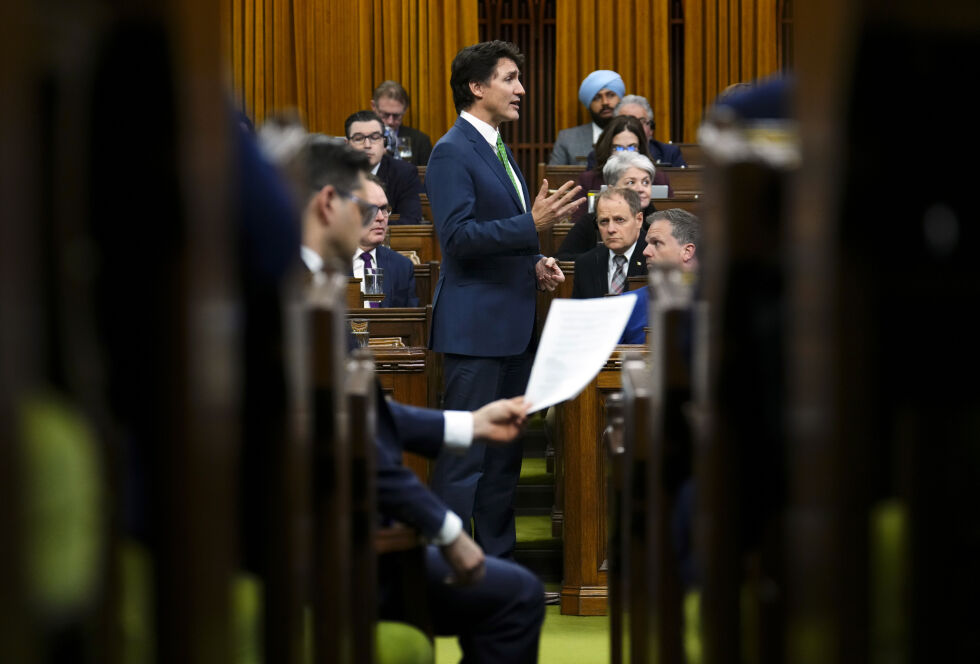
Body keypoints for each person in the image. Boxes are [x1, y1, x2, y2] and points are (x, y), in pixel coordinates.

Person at [300, 136, 546, 662]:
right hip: (327, 550)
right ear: (328, 204)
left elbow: (364, 416)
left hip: (345, 529)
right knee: (518, 598)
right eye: (365, 208)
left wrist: (468, 427)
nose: (375, 222)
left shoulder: (304, 284)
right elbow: (353, 436)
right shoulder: (299, 298)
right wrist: (446, 529)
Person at [425, 40, 584, 559]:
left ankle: (497, 569)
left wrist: (534, 259)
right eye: (510, 78)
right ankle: (446, 571)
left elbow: (500, 236)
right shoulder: (451, 150)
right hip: (475, 330)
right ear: (477, 87)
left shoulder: (498, 147)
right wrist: (532, 225)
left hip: (513, 328)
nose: (521, 89)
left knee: (503, 460)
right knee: (466, 457)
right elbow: (458, 240)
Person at [564, 115, 674, 228]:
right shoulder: (589, 179)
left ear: (641, 148)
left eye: (632, 147)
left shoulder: (659, 178)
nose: (625, 153)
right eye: (618, 148)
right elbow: (579, 222)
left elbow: (672, 223)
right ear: (608, 148)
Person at [618, 207, 701, 344]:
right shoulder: (626, 304)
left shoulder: (718, 302)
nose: (645, 251)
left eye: (657, 243)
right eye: (647, 243)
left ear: (687, 251)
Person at [557, 151, 659, 261]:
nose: (641, 189)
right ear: (612, 188)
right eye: (631, 182)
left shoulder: (661, 222)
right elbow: (563, 258)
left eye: (645, 182)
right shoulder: (590, 222)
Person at [349, 173, 419, 307]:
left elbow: (411, 324)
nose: (381, 217)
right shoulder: (329, 267)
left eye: (384, 209)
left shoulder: (402, 267)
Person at [345, 110, 425, 224]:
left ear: (384, 143)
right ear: (347, 144)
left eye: (374, 137)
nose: (367, 145)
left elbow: (410, 221)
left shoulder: (405, 173)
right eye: (359, 138)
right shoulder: (335, 175)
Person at [571, 187, 648, 299]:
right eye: (604, 221)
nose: (611, 229)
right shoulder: (585, 264)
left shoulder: (657, 260)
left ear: (638, 220)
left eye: (619, 220)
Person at [584, 94, 687, 168]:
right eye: (625, 120)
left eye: (640, 121)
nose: (633, 126)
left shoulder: (670, 154)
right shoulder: (597, 157)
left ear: (651, 129)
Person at [548, 69, 625, 165]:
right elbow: (555, 178)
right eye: (596, 98)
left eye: (610, 95)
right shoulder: (567, 138)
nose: (605, 102)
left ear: (620, 99)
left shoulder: (634, 134)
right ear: (589, 104)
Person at [371, 80, 433, 165]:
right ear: (374, 106)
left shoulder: (420, 141)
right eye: (385, 115)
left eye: (396, 116)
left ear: (405, 110)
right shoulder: (361, 139)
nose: (390, 121)